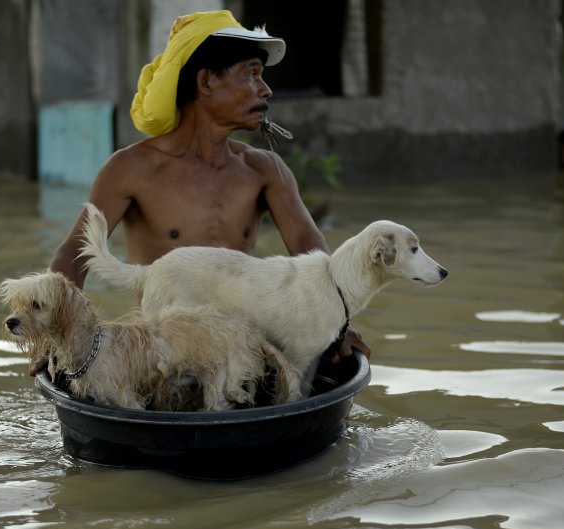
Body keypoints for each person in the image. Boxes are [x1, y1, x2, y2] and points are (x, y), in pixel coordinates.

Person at [47, 9, 368, 371]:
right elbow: (74, 254)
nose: (266, 90)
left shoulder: (265, 170)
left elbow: (317, 262)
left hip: (242, 351)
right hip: (161, 351)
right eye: (252, 74)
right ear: (205, 82)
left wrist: (341, 327)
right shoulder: (131, 169)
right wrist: (54, 332)